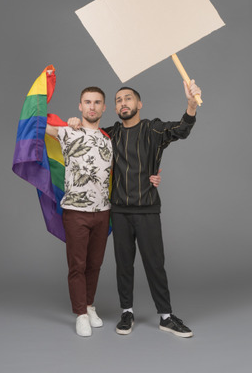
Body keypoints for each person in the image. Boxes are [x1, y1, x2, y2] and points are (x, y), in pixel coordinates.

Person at [68, 79, 201, 338]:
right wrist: (74, 123)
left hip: (148, 208)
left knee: (155, 264)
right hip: (118, 211)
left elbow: (182, 129)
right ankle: (126, 312)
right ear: (114, 108)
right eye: (118, 100)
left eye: (128, 98)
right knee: (123, 265)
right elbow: (87, 136)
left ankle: (166, 316)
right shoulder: (110, 134)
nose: (123, 103)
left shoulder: (153, 129)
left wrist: (191, 105)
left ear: (139, 104)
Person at [46, 86, 162, 337]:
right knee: (77, 265)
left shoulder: (109, 139)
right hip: (76, 211)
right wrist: (51, 111)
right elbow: (36, 126)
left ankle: (89, 305)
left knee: (95, 264)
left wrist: (152, 176)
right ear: (80, 106)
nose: (92, 107)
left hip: (103, 211)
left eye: (97, 102)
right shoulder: (68, 132)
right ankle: (80, 314)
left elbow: (128, 164)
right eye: (87, 102)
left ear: (103, 108)